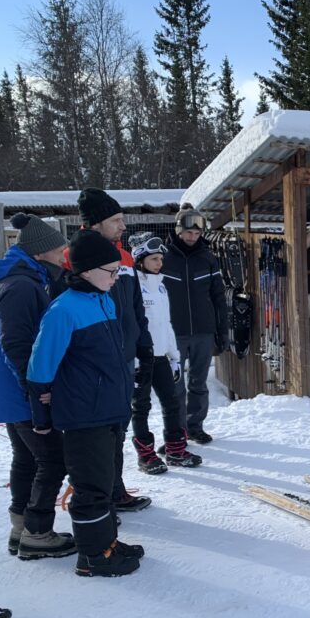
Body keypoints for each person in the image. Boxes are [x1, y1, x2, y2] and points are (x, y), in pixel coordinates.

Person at [27, 231, 144, 576]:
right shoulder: (63, 310)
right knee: (90, 487)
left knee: (105, 481)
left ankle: (107, 542)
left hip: (110, 409)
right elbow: (39, 368)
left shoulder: (104, 299)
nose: (116, 278)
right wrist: (41, 416)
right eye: (111, 271)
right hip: (84, 415)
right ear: (87, 270)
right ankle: (93, 556)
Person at [0, 214, 77, 561]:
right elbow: (18, 344)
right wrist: (35, 390)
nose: (63, 256)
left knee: (27, 459)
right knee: (52, 459)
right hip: (22, 392)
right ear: (40, 253)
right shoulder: (22, 286)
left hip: (11, 392)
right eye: (58, 250)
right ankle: (37, 533)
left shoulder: (21, 278)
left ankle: (21, 528)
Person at [69, 188, 152, 513]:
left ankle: (114, 490)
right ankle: (96, 498)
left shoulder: (126, 258)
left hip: (124, 354)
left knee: (119, 425)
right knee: (98, 433)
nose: (123, 226)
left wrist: (144, 345)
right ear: (95, 224)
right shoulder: (75, 258)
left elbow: (135, 308)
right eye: (116, 220)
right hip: (94, 360)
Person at [128, 233, 201, 472]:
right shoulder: (131, 287)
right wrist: (135, 358)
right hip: (141, 358)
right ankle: (146, 455)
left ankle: (175, 450)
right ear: (140, 260)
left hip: (161, 357)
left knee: (172, 403)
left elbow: (166, 324)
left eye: (161, 259)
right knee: (141, 407)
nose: (160, 263)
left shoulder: (160, 288)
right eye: (154, 259)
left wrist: (175, 357)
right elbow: (129, 327)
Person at [162, 205, 228, 445]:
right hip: (173, 333)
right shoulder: (164, 258)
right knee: (175, 386)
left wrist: (222, 331)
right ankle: (176, 431)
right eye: (188, 232)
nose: (192, 237)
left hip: (203, 331)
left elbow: (219, 297)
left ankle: (195, 427)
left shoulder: (208, 259)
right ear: (179, 230)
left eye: (196, 233)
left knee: (198, 383)